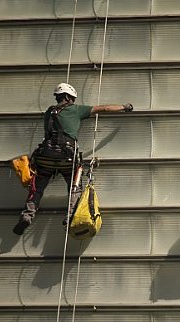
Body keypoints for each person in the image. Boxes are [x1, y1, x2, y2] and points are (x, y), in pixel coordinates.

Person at [13, 83, 133, 235]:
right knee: (74, 187)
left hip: (45, 156)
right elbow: (104, 108)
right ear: (69, 98)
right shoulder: (76, 110)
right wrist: (124, 107)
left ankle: (27, 216)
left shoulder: (49, 112)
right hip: (66, 157)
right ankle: (70, 217)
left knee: (36, 188)